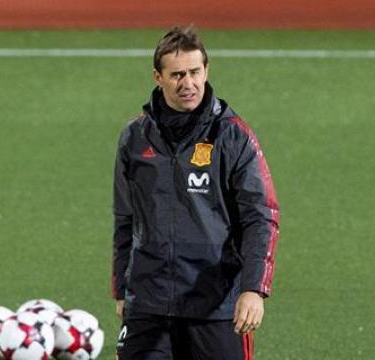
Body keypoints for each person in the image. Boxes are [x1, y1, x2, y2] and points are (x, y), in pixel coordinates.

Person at [112, 25, 280, 360]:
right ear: (158, 77)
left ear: (206, 71)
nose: (187, 83)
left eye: (194, 72)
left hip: (215, 305)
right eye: (176, 75)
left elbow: (261, 217)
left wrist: (253, 289)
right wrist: (122, 288)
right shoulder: (134, 137)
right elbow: (125, 219)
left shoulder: (233, 137)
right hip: (149, 300)